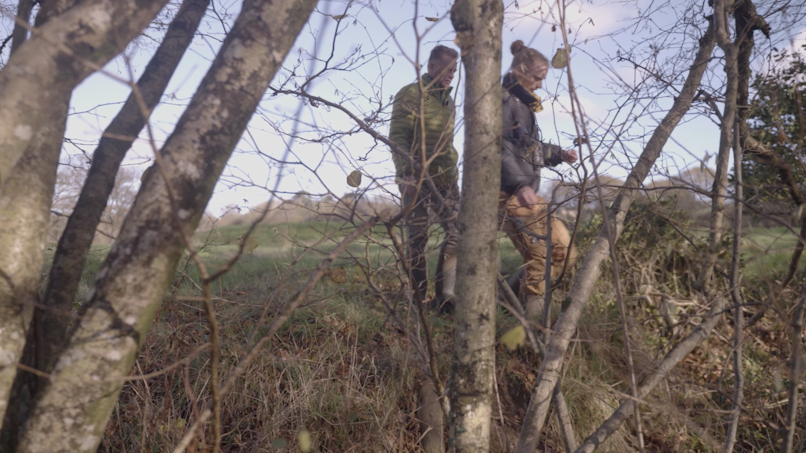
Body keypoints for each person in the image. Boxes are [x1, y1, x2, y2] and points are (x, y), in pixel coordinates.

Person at [500, 40, 578, 319]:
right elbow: (497, 146)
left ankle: (506, 300)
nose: (541, 85)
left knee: (565, 252)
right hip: (510, 192)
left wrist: (558, 154)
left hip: (524, 189)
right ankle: (532, 326)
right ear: (520, 70)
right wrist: (519, 185)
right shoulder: (503, 99)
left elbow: (528, 147)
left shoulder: (523, 103)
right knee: (541, 255)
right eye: (537, 78)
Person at [389, 45, 460, 313]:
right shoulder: (410, 94)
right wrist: (405, 173)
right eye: (447, 69)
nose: (451, 75)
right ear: (431, 67)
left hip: (446, 179)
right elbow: (397, 137)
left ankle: (446, 299)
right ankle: (419, 302)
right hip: (415, 177)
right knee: (417, 239)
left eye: (454, 70)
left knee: (456, 232)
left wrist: (453, 172)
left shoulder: (448, 101)